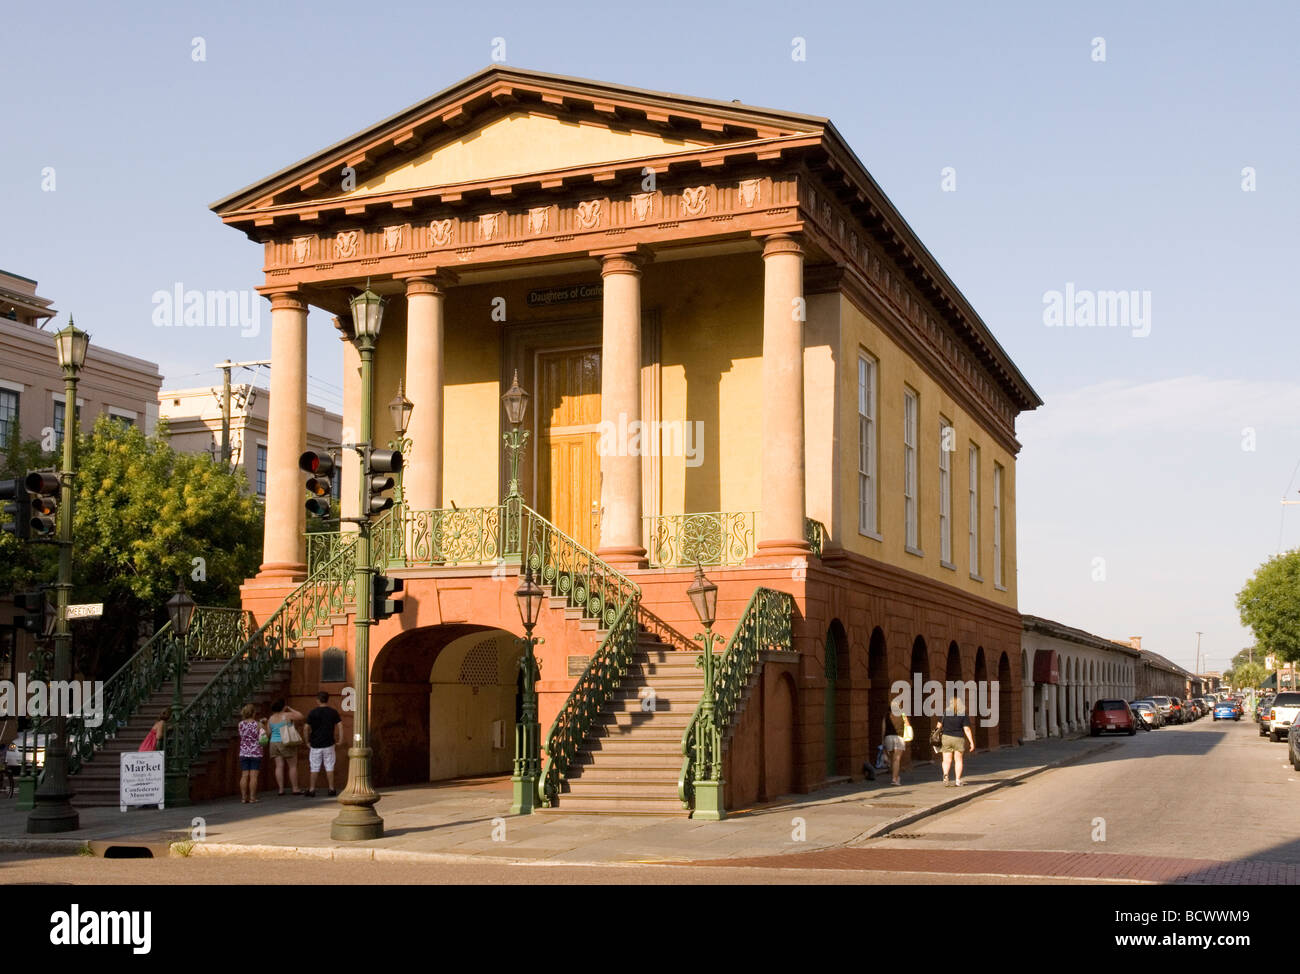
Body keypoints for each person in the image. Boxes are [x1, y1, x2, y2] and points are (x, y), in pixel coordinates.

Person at [304, 691, 342, 797]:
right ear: (327, 699)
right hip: (329, 743)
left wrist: (307, 741)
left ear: (318, 700)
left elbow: (306, 727)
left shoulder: (313, 712)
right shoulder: (333, 712)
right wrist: (340, 739)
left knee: (314, 767)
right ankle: (331, 788)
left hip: (315, 744)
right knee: (329, 766)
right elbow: (340, 725)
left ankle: (312, 789)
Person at [267, 698, 305, 795]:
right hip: (286, 742)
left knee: (279, 766)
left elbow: (268, 732)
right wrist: (289, 708)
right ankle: (295, 788)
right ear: (283, 707)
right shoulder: (287, 715)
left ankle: (280, 789)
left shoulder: (271, 718)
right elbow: (300, 716)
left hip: (273, 743)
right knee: (292, 766)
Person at [939, 696, 976, 786]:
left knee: (946, 760)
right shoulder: (963, 715)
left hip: (946, 738)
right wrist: (971, 742)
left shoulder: (944, 714)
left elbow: (938, 726)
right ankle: (957, 780)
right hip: (958, 738)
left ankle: (945, 776)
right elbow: (967, 729)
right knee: (958, 760)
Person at [237, 704, 265, 803]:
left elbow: (242, 735)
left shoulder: (240, 724)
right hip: (256, 752)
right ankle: (252, 797)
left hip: (244, 752)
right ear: (254, 713)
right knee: (253, 776)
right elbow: (263, 739)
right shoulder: (259, 725)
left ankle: (244, 798)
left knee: (244, 775)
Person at [882, 700, 911, 786]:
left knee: (892, 759)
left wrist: (882, 741)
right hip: (899, 738)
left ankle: (894, 776)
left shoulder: (887, 715)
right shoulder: (902, 715)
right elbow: (908, 726)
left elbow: (883, 729)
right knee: (897, 759)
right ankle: (895, 779)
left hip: (888, 738)